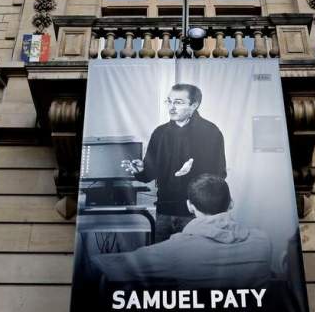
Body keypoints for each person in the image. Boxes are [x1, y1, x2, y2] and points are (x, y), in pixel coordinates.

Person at [92, 175, 272, 288]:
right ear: (231, 203)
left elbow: (111, 267)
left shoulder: (176, 250)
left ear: (189, 206)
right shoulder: (263, 242)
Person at [121, 83, 226, 242]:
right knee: (162, 262)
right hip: (164, 211)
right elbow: (149, 174)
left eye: (178, 102)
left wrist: (194, 171)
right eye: (169, 101)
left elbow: (219, 175)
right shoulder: (159, 133)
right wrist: (140, 169)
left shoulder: (211, 132)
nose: (171, 107)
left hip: (196, 214)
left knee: (192, 263)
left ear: (194, 105)